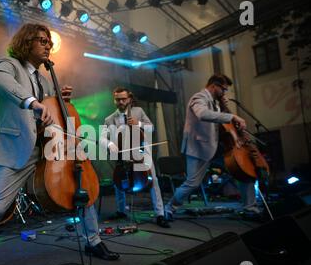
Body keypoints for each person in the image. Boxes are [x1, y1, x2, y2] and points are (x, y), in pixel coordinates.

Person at [0, 23, 119, 265]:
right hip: (18, 151)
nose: (47, 45)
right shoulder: (10, 65)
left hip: (47, 150)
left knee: (81, 188)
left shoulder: (44, 79)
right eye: (41, 40)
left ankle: (94, 241)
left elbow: (47, 114)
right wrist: (33, 102)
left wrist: (55, 99)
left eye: (49, 41)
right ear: (26, 43)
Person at [165, 74, 262, 220]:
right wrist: (232, 116)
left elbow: (223, 125)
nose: (224, 93)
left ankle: (250, 208)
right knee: (192, 183)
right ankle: (169, 208)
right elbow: (203, 114)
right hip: (198, 147)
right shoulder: (198, 98)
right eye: (223, 89)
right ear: (214, 86)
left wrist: (225, 108)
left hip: (217, 147)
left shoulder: (216, 103)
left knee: (243, 172)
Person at [99, 87, 171, 228]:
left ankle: (160, 214)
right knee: (119, 182)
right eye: (117, 99)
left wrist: (137, 124)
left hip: (142, 154)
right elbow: (102, 138)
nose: (120, 102)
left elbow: (151, 128)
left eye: (123, 99)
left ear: (129, 99)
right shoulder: (109, 119)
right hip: (122, 156)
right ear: (114, 100)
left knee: (153, 181)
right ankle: (121, 210)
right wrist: (109, 144)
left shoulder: (138, 112)